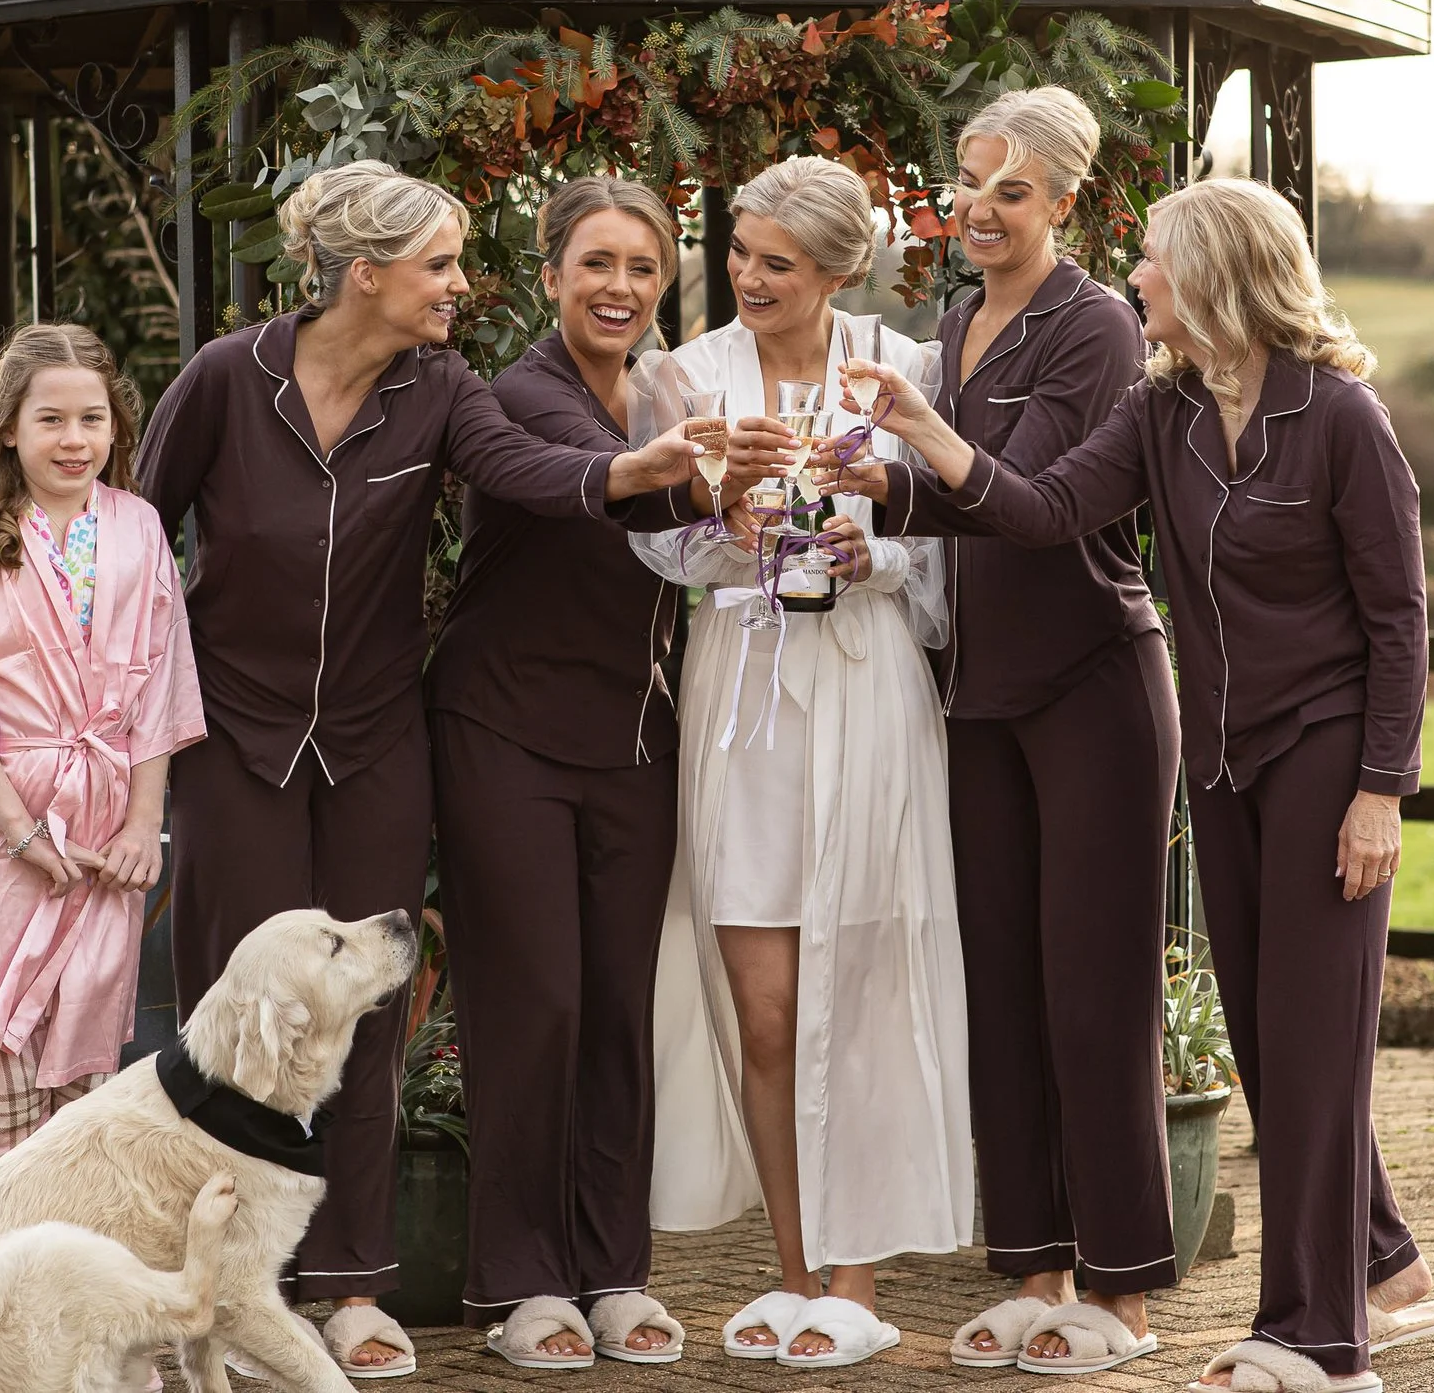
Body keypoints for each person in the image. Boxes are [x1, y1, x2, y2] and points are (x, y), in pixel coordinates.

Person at [831, 176, 1434, 1393]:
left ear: (1217, 273)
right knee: (1278, 1042)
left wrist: (1381, 785)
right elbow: (1048, 507)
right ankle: (1386, 1271)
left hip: (1328, 753)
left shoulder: (1342, 417)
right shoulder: (1162, 409)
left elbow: (1400, 619)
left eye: (1155, 259)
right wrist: (913, 439)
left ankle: (1321, 1340)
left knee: (1315, 1042)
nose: (1137, 278)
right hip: (1222, 760)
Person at [135, 160, 704, 1380]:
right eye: (441, 265)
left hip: (381, 739)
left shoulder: (441, 388)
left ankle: (344, 1286)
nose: (459, 285)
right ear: (366, 274)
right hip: (235, 737)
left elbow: (519, 470)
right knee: (232, 1016)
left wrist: (626, 473)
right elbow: (136, 534)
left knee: (367, 1021)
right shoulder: (227, 381)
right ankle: (217, 1285)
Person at [425, 175, 791, 1369]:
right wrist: (697, 468)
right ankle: (522, 1284)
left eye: (642, 266)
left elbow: (698, 539)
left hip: (634, 746)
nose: (621, 286)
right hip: (504, 738)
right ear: (549, 275)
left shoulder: (668, 389)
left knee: (617, 1013)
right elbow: (609, 476)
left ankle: (613, 1268)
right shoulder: (518, 392)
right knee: (532, 1005)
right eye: (596, 263)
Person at [640, 155, 970, 1371]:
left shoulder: (910, 370)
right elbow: (650, 551)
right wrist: (724, 530)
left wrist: (870, 548)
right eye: (738, 251)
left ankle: (855, 1278)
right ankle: (790, 1275)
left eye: (777, 261)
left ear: (838, 270)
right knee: (767, 1012)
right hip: (747, 701)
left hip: (870, 692)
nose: (747, 275)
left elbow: (949, 558)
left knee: (865, 990)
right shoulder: (686, 375)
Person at [910, 88, 1183, 1375]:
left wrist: (917, 444)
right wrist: (867, 487)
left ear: (1064, 202)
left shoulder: (1100, 329)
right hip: (976, 693)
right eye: (969, 182)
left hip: (1091, 688)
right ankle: (1035, 1272)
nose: (979, 209)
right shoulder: (957, 319)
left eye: (1010, 191)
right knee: (1004, 994)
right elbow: (950, 500)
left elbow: (1036, 507)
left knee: (1094, 996)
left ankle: (1123, 1296)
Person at [0, 323, 206, 1177]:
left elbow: (162, 685)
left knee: (90, 1064)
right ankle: (0, 1272)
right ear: (11, 428)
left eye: (92, 419)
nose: (74, 439)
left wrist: (143, 823)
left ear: (116, 428)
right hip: (6, 822)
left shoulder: (138, 529)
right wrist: (22, 832)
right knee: (6, 1055)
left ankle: (78, 1271)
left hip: (105, 827)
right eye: (51, 419)